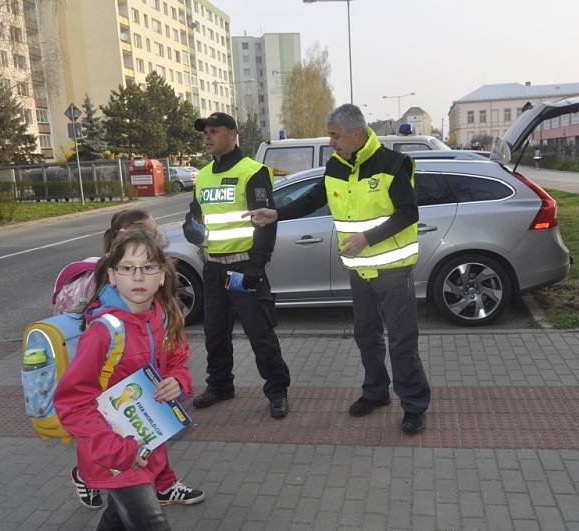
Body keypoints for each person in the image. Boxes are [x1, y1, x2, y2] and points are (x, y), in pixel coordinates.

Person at [245, 104, 431, 434]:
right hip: (359, 271)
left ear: (356, 134)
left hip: (393, 270)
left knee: (401, 341)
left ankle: (414, 405)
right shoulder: (336, 166)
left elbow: (408, 213)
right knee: (366, 336)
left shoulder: (393, 165)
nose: (331, 142)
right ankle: (375, 392)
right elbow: (313, 198)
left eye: (335, 135)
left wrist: (367, 238)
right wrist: (277, 213)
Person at [56, 210, 204, 511]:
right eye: (128, 268)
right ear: (112, 275)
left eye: (148, 267)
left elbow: (178, 363)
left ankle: (163, 485)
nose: (138, 277)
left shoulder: (163, 318)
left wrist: (178, 382)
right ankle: (87, 476)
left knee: (119, 520)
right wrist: (116, 450)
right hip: (113, 455)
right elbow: (72, 403)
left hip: (148, 443)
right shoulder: (103, 332)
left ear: (162, 274)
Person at [182, 111, 290, 419]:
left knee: (260, 332)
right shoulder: (202, 175)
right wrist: (191, 225)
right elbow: (195, 213)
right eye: (205, 132)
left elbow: (265, 223)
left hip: (242, 268)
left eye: (214, 131)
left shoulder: (252, 171)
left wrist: (257, 265)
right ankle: (219, 385)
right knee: (215, 333)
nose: (208, 137)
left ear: (232, 134)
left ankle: (277, 390)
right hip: (214, 268)